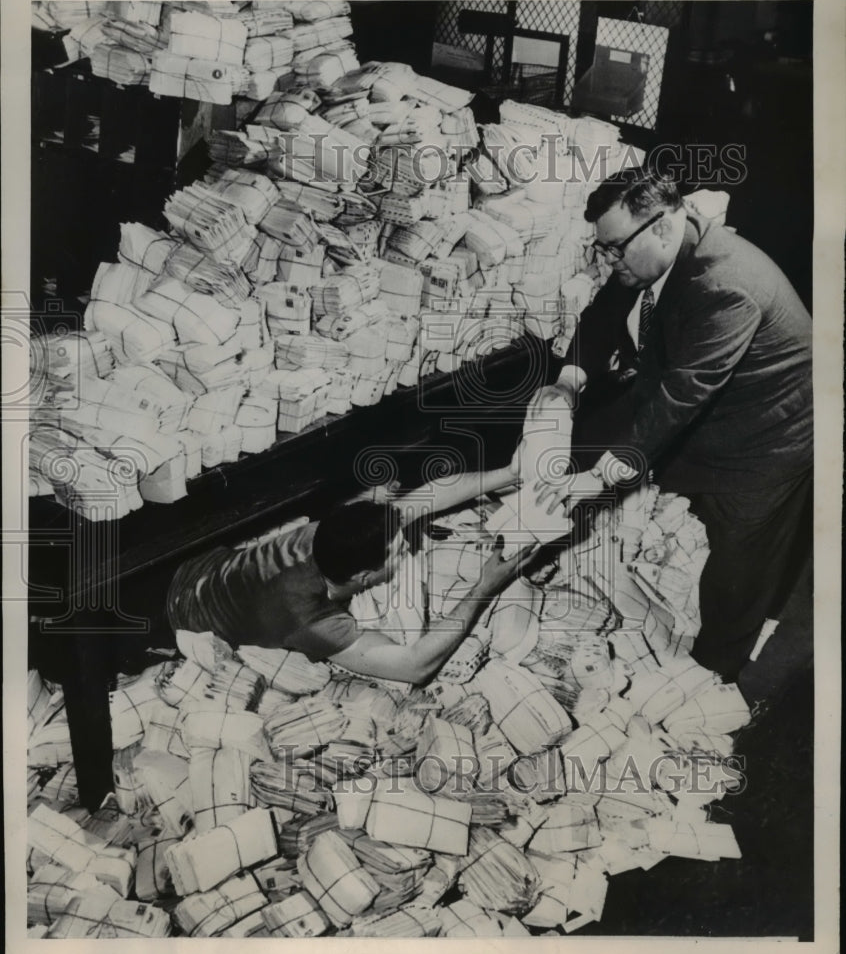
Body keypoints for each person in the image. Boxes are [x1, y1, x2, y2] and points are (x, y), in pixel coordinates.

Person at [527, 167, 812, 682]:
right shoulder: (648, 251)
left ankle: (708, 680)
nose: (608, 260)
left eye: (614, 248)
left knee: (737, 568)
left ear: (659, 226)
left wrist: (595, 480)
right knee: (602, 434)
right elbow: (604, 312)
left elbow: (685, 392)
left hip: (768, 434)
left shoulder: (726, 283)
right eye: (604, 249)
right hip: (701, 402)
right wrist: (568, 382)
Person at [167, 464, 532, 686]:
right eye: (398, 553)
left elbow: (429, 497)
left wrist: (511, 472)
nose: (406, 548)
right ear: (362, 576)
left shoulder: (330, 533)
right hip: (186, 617)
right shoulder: (310, 621)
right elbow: (415, 666)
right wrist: (485, 586)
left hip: (198, 568)